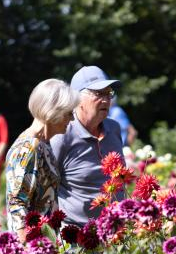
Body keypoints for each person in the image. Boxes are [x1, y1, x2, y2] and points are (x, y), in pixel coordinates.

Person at [51, 66, 126, 227]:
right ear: (77, 99)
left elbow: (122, 178)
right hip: (79, 237)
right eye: (99, 93)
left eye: (109, 93)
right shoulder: (62, 135)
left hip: (118, 233)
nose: (106, 100)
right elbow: (46, 188)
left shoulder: (114, 129)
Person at [5, 79, 78, 237]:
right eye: (68, 113)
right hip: (31, 250)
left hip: (43, 244)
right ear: (53, 112)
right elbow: (17, 204)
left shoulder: (43, 144)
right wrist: (29, 253)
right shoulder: (28, 147)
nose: (72, 120)